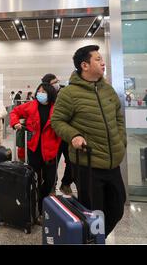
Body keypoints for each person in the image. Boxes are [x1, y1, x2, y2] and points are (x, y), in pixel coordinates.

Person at [51, 45, 127, 237]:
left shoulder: (107, 90)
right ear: (84, 65)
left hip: (113, 163)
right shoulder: (69, 93)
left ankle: (96, 239)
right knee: (92, 213)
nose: (103, 62)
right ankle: (92, 241)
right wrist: (74, 135)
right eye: (98, 59)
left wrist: (121, 141)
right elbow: (57, 121)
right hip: (88, 164)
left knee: (117, 208)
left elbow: (118, 117)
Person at [10, 83, 61, 224]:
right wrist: (15, 123)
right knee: (35, 179)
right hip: (34, 150)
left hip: (50, 151)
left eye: (43, 91)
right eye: (39, 91)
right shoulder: (31, 105)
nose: (40, 93)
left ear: (50, 93)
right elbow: (14, 112)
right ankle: (38, 210)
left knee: (50, 180)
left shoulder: (57, 108)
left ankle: (43, 200)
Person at [42, 73, 74, 195]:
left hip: (66, 133)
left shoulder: (65, 92)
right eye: (53, 83)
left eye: (56, 81)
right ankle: (52, 186)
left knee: (72, 161)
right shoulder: (46, 96)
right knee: (52, 164)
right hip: (53, 135)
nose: (56, 84)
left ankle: (66, 183)